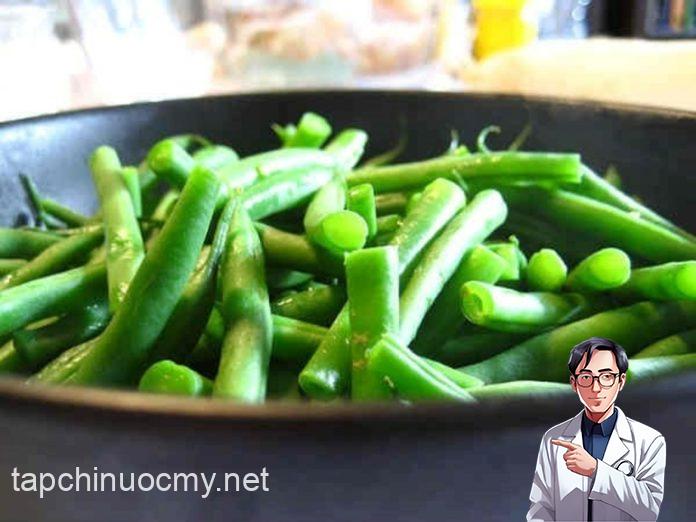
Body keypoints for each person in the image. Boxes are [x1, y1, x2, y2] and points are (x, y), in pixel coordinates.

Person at [527, 337, 666, 521]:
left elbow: (650, 511)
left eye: (606, 376)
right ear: (574, 383)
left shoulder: (649, 440)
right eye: (586, 377)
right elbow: (541, 508)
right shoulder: (554, 438)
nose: (596, 387)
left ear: (621, 381)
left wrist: (596, 470)